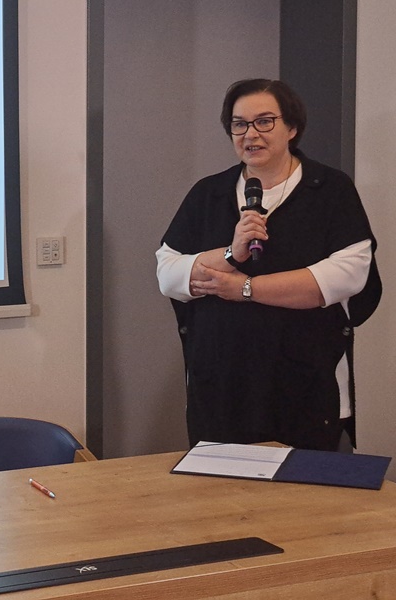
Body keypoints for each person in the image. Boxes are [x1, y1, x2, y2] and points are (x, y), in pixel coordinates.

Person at [156, 78, 380, 452]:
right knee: (219, 489)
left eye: (264, 121)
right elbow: (168, 274)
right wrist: (232, 254)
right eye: (239, 124)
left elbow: (346, 275)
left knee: (304, 487)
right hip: (222, 386)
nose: (250, 134)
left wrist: (244, 289)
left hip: (305, 384)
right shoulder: (209, 193)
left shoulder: (329, 189)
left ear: (292, 128)